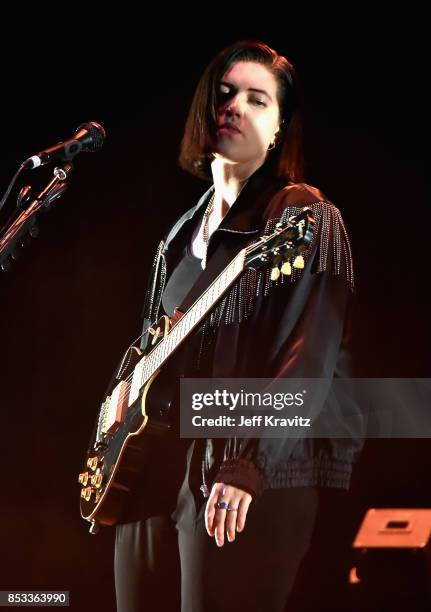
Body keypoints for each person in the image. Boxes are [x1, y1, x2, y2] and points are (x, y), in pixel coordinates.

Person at [114, 40, 363, 612]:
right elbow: (149, 347)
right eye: (225, 94)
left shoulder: (302, 219)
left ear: (278, 129)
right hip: (152, 472)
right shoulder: (177, 237)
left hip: (242, 475)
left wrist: (247, 462)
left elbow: (308, 359)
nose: (234, 108)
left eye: (257, 99)